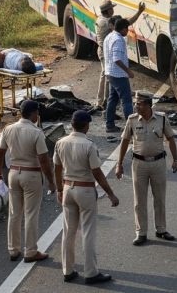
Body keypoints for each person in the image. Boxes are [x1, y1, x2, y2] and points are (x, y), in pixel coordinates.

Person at [54, 110, 119, 285]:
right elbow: (97, 172)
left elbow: (57, 168)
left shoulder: (60, 142)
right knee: (88, 232)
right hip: (85, 190)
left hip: (67, 188)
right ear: (86, 126)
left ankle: (68, 271)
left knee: (68, 232)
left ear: (72, 124)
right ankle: (91, 272)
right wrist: (111, 194)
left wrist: (59, 189)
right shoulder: (89, 145)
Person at [0, 100, 56, 262]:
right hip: (32, 175)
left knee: (14, 213)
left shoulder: (8, 129)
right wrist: (51, 181)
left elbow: (0, 153)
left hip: (13, 173)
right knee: (31, 214)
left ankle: (13, 249)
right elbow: (44, 160)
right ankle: (30, 251)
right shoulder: (36, 132)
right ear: (33, 113)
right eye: (37, 112)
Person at [116, 90, 177, 245]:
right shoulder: (132, 120)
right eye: (136, 103)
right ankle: (141, 232)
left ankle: (161, 229)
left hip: (158, 163)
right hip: (139, 164)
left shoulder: (161, 119)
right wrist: (119, 164)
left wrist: (175, 160)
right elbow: (124, 142)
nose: (136, 106)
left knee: (160, 198)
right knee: (139, 201)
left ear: (148, 105)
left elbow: (171, 139)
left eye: (139, 104)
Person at [95, 1, 144, 114]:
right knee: (108, 79)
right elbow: (126, 23)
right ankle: (103, 103)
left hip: (104, 50)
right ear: (108, 10)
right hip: (106, 52)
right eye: (111, 8)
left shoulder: (101, 19)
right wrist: (139, 12)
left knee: (106, 78)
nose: (113, 10)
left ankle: (103, 103)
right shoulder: (106, 23)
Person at [104, 18, 136, 132]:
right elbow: (117, 59)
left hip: (110, 73)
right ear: (123, 29)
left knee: (112, 99)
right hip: (119, 75)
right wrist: (128, 71)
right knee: (127, 101)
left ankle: (110, 125)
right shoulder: (118, 40)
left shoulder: (109, 36)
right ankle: (130, 128)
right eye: (127, 29)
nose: (127, 31)